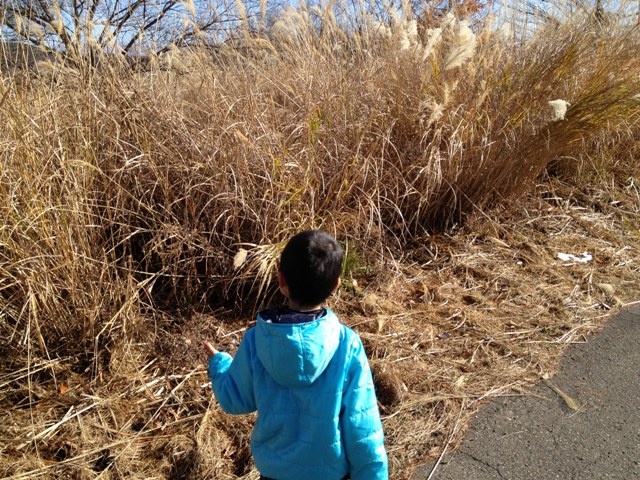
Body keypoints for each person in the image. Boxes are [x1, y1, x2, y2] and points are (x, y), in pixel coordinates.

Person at [203, 230, 388, 480]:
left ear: (281, 280)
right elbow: (363, 429)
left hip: (274, 473)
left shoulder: (256, 341)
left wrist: (219, 363)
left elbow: (235, 400)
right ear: (335, 285)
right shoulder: (346, 345)